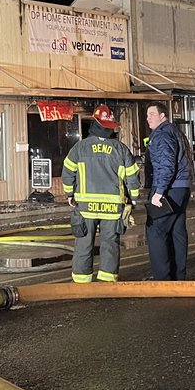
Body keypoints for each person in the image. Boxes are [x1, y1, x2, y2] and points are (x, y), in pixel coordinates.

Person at [61, 104, 141, 283]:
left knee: (83, 244)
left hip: (85, 208)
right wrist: (133, 199)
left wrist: (69, 194)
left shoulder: (80, 148)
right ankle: (107, 282)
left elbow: (67, 173)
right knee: (110, 245)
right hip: (112, 208)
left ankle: (82, 283)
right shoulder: (121, 149)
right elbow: (133, 178)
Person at [143, 100, 192, 281]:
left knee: (155, 231)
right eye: (147, 115)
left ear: (163, 115)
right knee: (177, 232)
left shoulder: (163, 134)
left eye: (152, 114)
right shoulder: (175, 132)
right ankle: (178, 277)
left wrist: (159, 192)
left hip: (169, 188)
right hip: (181, 187)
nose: (148, 119)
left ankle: (162, 279)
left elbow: (166, 164)